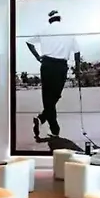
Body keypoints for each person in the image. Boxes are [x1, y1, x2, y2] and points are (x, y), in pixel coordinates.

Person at [26, 10, 80, 139]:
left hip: (47, 65)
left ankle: (44, 120)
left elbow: (29, 42)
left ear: (50, 20)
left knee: (48, 98)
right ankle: (53, 127)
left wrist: (37, 57)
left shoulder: (44, 30)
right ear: (59, 18)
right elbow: (77, 52)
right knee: (55, 96)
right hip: (61, 66)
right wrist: (77, 69)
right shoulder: (69, 31)